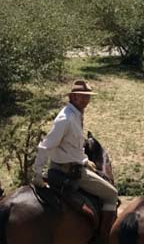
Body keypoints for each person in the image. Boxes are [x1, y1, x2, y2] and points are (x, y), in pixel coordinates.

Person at [33, 80, 119, 244]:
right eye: (82, 96)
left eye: (88, 97)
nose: (86, 100)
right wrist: (37, 174)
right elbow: (46, 146)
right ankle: (104, 239)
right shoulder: (65, 119)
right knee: (111, 194)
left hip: (77, 164)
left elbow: (72, 146)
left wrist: (85, 160)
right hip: (69, 171)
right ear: (73, 97)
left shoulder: (75, 114)